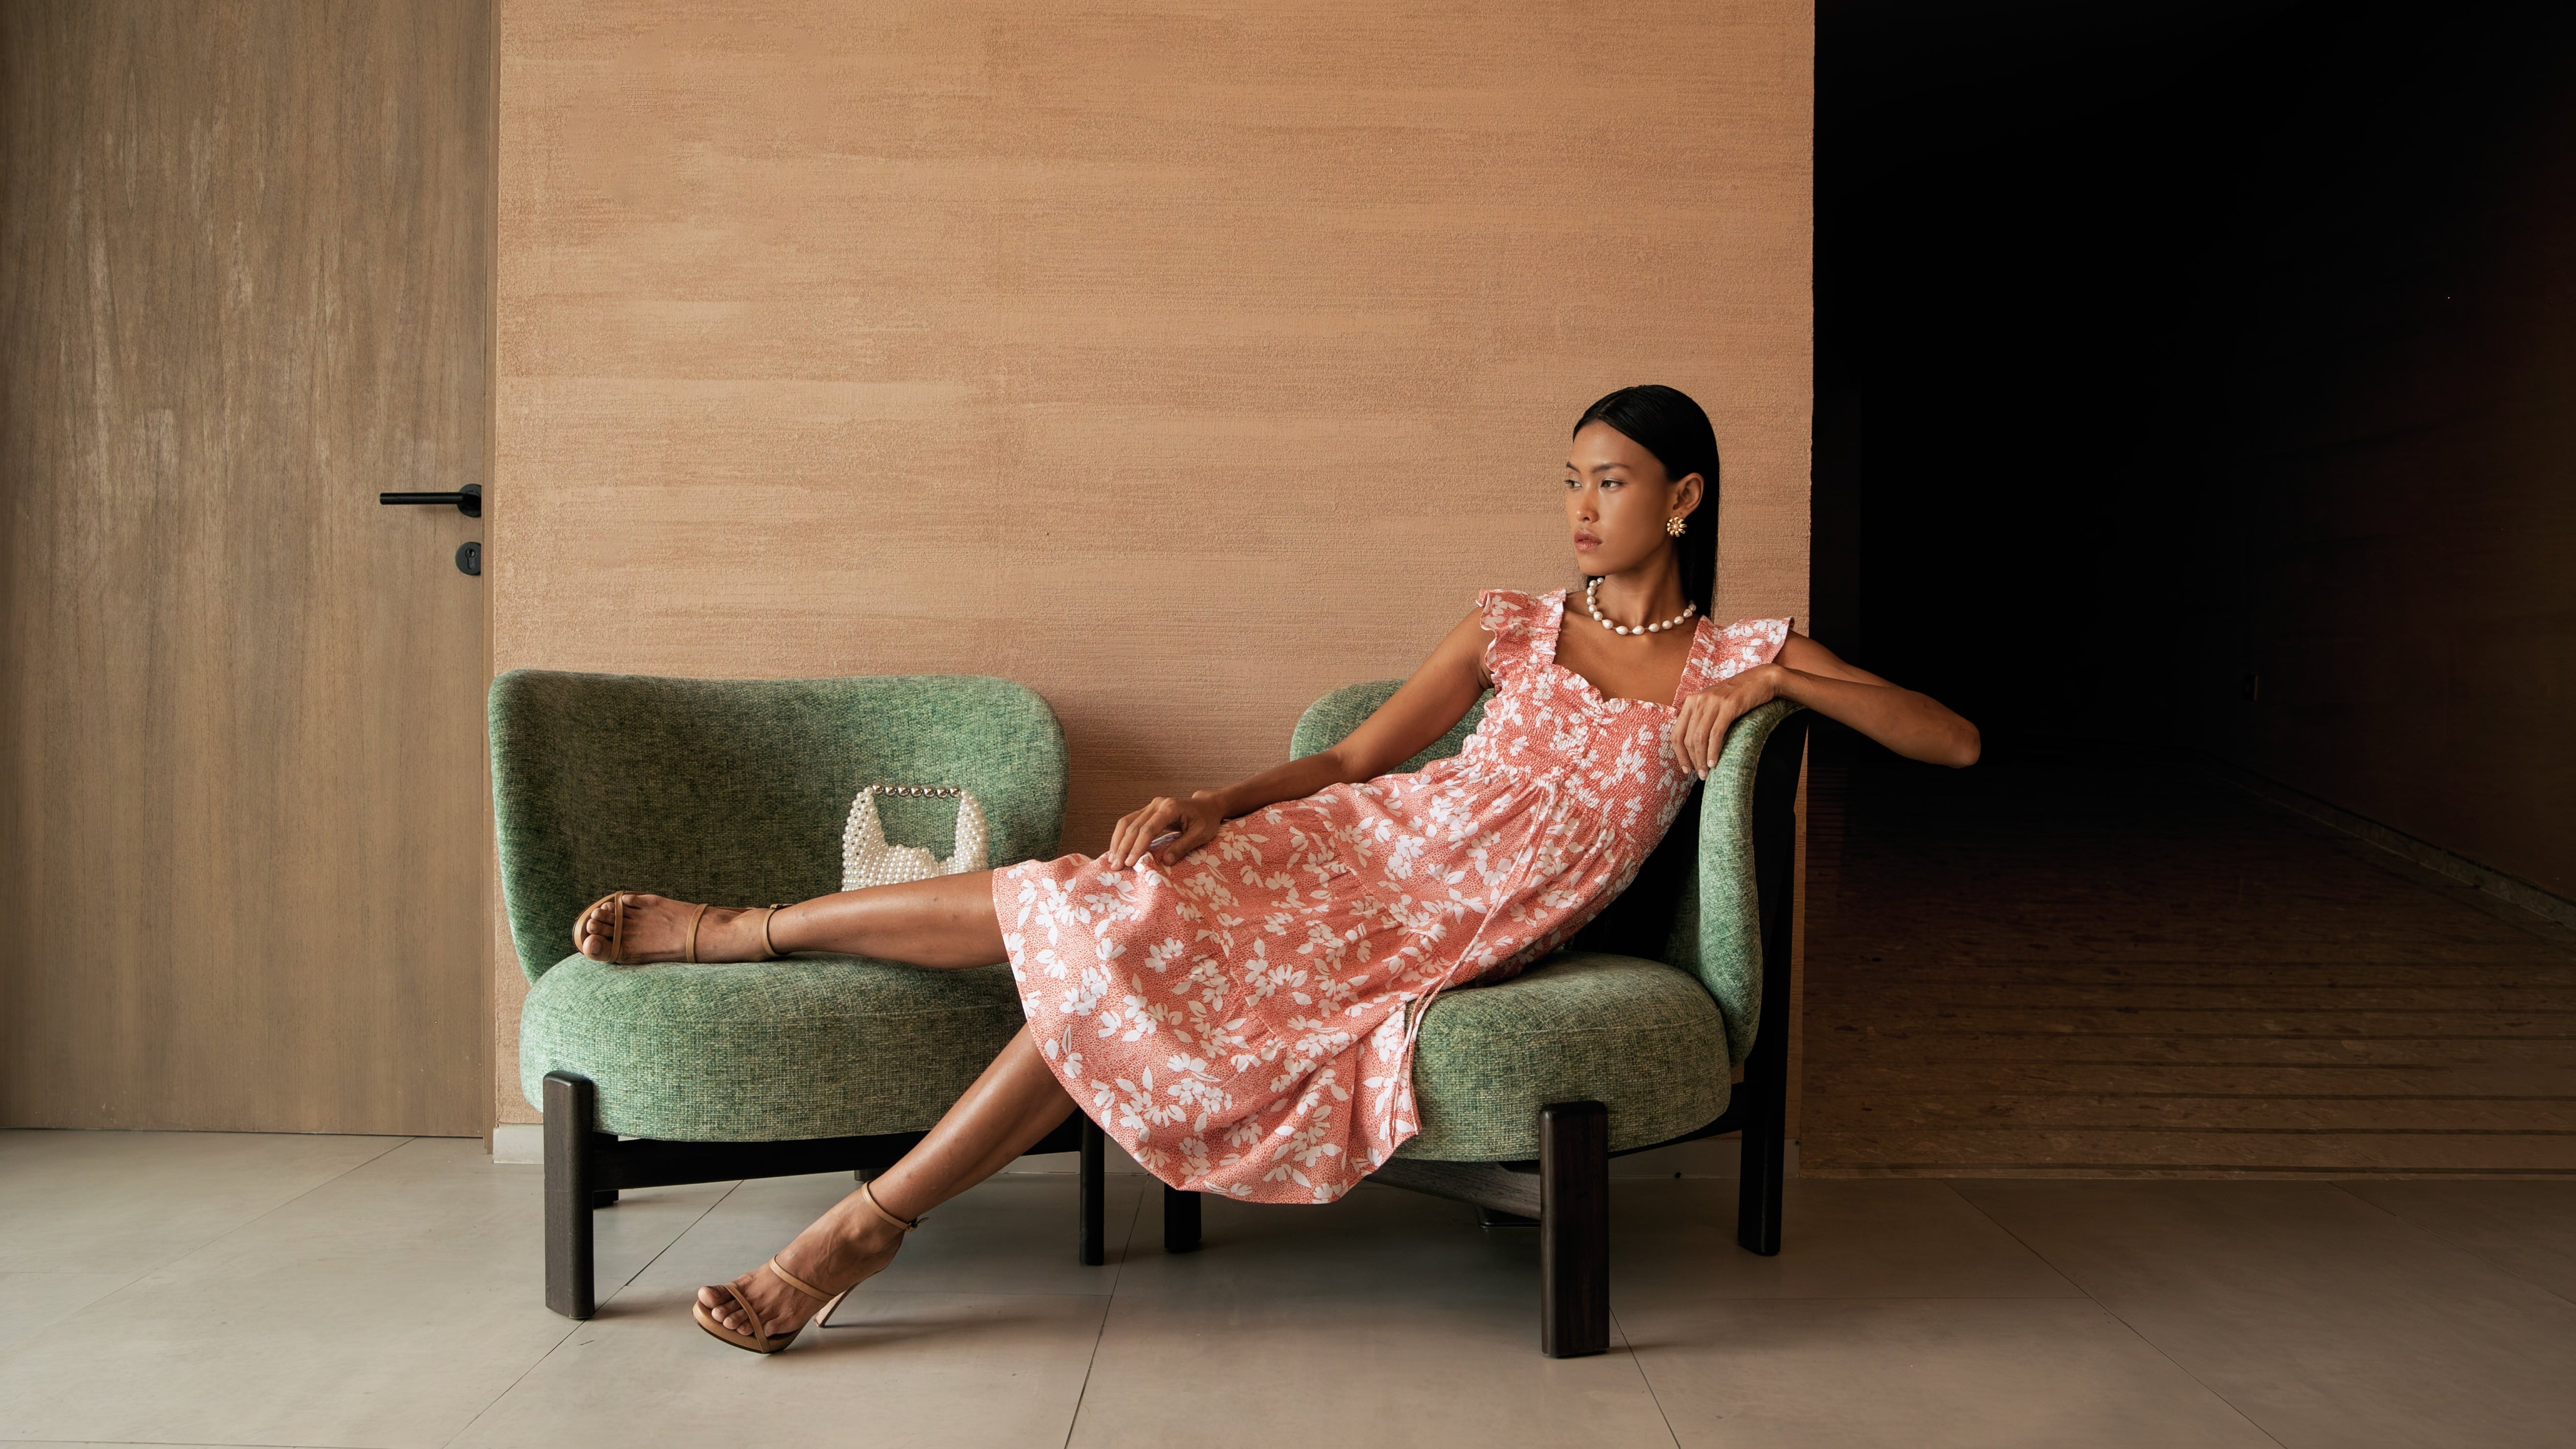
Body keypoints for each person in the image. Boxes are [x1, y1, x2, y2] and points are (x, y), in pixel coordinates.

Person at [570, 384, 1980, 1354]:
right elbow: (1358, 758)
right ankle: (746, 932)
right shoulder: (1513, 625)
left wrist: (1774, 686)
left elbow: (1953, 739)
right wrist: (1216, 801)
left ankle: (862, 1225)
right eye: (1569, 481)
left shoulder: (1742, 656)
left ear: (1684, 497)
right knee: (1089, 898)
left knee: (1116, 955)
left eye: (1608, 482)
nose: (1579, 508)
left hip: (1447, 922)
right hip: (1352, 853)